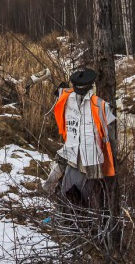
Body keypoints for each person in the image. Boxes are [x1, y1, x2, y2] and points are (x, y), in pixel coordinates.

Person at [42, 68, 117, 208]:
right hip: (74, 153)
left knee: (83, 193)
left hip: (89, 157)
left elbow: (110, 137)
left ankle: (79, 219)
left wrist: (111, 160)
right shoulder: (68, 98)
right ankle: (71, 216)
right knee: (68, 190)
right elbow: (111, 136)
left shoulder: (99, 105)